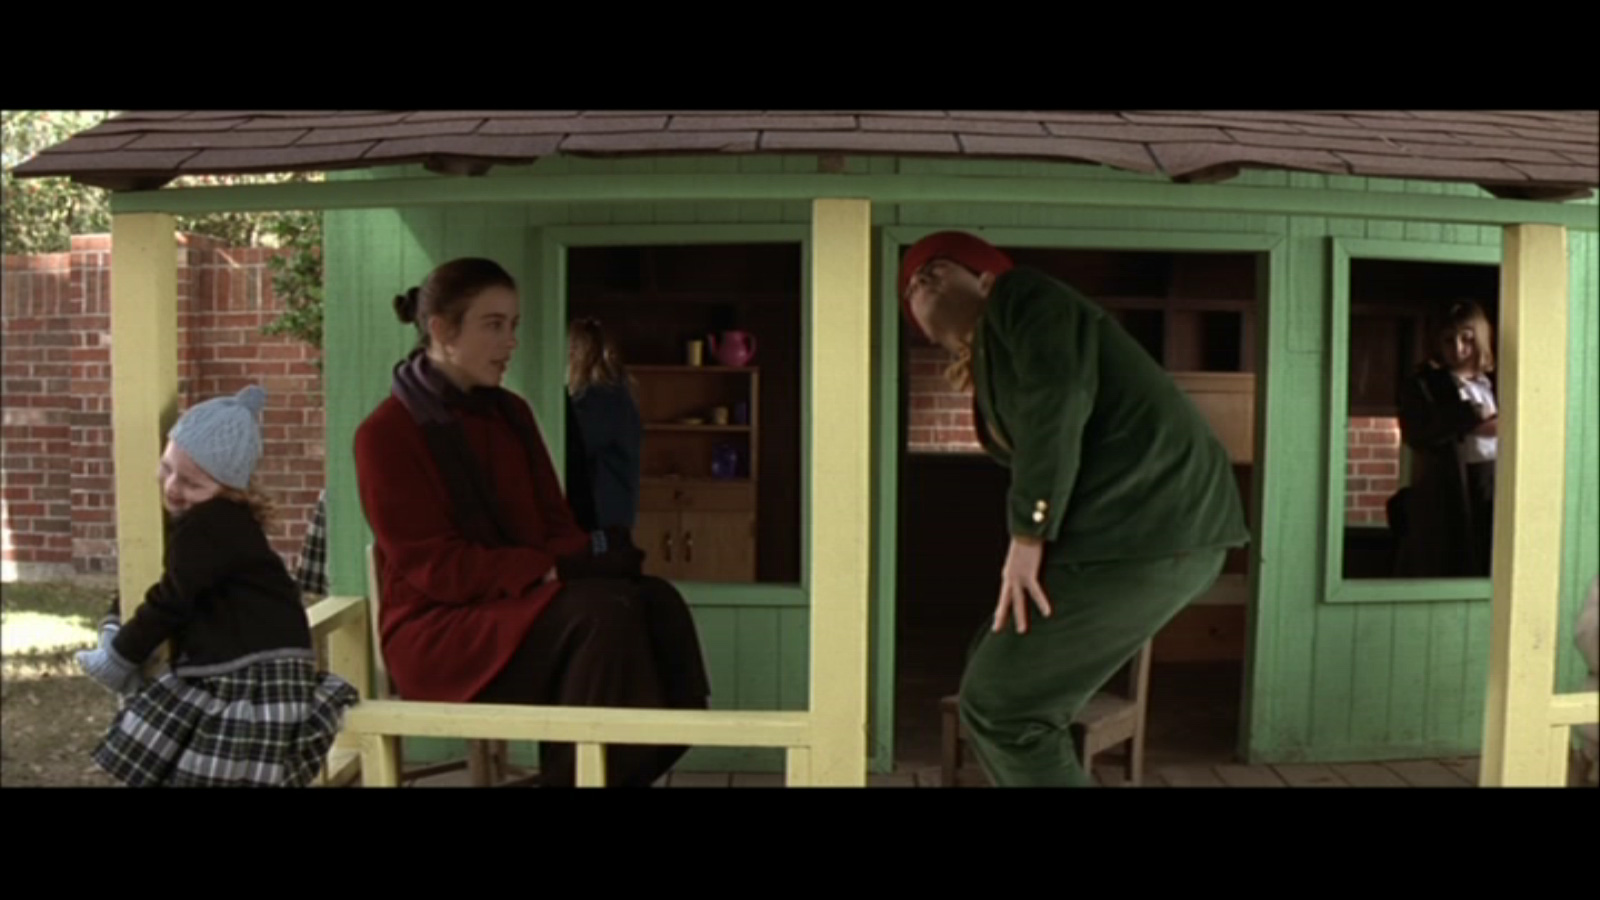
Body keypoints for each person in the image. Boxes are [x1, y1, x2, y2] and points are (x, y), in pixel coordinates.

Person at [898, 231, 1249, 787]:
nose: (919, 278)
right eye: (912, 285)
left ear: (985, 279)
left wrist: (1028, 537)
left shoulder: (1023, 295)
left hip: (1154, 525)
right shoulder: (994, 365)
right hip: (1122, 534)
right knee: (990, 668)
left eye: (937, 268)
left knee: (1003, 705)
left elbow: (1056, 401)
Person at [352, 257, 710, 788]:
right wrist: (553, 571)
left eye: (514, 325)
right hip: (440, 630)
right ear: (442, 330)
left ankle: (592, 776)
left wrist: (594, 558)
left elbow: (554, 523)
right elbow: (438, 568)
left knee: (655, 601)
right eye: (493, 325)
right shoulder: (385, 433)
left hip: (520, 605)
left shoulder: (512, 413)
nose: (511, 342)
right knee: (600, 615)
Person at [75, 385, 359, 787]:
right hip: (263, 660)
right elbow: (175, 581)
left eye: (193, 484)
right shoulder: (226, 524)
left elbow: (171, 600)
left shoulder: (209, 524)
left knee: (208, 758)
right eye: (167, 468)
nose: (173, 487)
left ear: (231, 490)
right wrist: (117, 614)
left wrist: (119, 656)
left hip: (249, 672)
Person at [1393, 299, 1499, 578]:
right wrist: (1472, 419)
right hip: (1452, 486)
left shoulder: (1495, 382)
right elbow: (1419, 432)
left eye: (1467, 339)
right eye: (1449, 340)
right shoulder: (1426, 384)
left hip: (1496, 478)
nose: (1458, 349)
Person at [565, 316, 644, 557]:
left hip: (602, 521)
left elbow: (575, 445)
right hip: (608, 519)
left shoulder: (601, 399)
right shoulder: (609, 395)